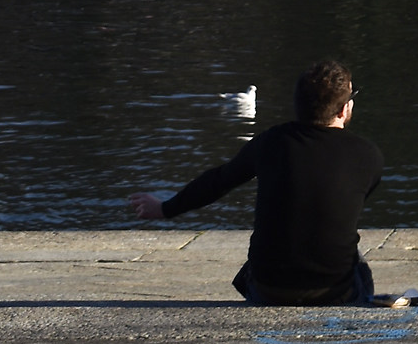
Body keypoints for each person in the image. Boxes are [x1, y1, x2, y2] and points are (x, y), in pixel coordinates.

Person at [130, 59, 383, 305]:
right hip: (333, 293)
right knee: (356, 259)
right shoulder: (368, 155)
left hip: (269, 290)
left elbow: (218, 181)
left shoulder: (270, 143)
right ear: (343, 109)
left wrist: (164, 208)